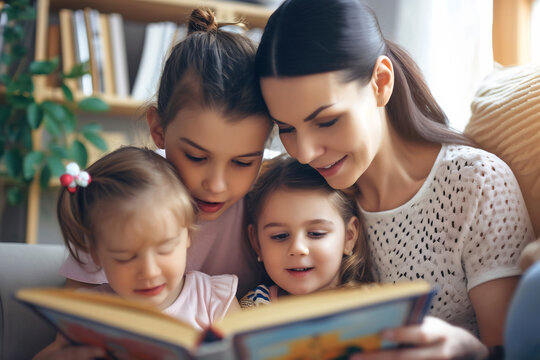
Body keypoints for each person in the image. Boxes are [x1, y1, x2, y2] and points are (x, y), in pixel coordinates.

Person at [254, 0, 535, 358]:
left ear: (380, 83)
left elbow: (515, 350)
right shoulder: (305, 191)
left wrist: (466, 349)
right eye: (287, 128)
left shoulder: (476, 184)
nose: (305, 153)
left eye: (326, 121)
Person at [58, 8, 273, 297]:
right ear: (158, 127)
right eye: (197, 157)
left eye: (243, 162)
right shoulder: (124, 196)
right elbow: (76, 305)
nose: (216, 185)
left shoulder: (272, 198)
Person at [35, 147, 240, 359]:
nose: (149, 272)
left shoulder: (214, 300)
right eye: (125, 257)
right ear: (95, 255)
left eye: (165, 248)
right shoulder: (89, 311)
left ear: (187, 235)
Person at [240, 156, 371, 307]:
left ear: (349, 237)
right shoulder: (253, 307)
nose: (298, 248)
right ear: (257, 243)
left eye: (316, 234)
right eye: (280, 236)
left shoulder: (369, 305)